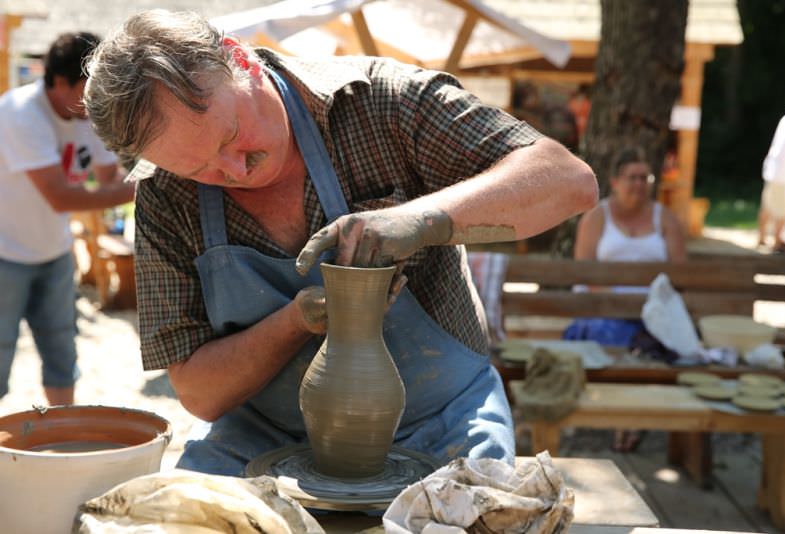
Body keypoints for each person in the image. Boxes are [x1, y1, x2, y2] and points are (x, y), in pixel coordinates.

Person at [84, 9, 597, 476]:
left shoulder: (380, 104)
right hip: (263, 435)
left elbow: (569, 182)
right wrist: (295, 322)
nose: (234, 171)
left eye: (230, 136)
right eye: (201, 170)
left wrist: (424, 218)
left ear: (240, 59)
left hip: (441, 419)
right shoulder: (163, 193)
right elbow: (199, 393)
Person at [0, 33, 134, 406]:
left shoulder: (85, 112)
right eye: (89, 85)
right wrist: (141, 190)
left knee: (62, 355)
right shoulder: (19, 113)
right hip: (5, 255)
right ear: (60, 82)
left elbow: (110, 176)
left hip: (54, 253)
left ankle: (63, 437)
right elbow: (60, 198)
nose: (97, 95)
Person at [568, 146, 685, 451]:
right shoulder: (597, 217)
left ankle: (634, 417)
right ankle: (624, 418)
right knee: (613, 336)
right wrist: (617, 303)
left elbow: (681, 275)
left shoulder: (665, 219)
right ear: (615, 181)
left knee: (667, 342)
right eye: (631, 177)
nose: (639, 184)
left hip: (653, 310)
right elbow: (585, 273)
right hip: (603, 308)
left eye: (644, 177)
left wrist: (650, 306)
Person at [758, 111, 785, 251]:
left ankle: (762, 237)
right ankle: (777, 242)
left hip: (774, 167)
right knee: (783, 209)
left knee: (768, 205)